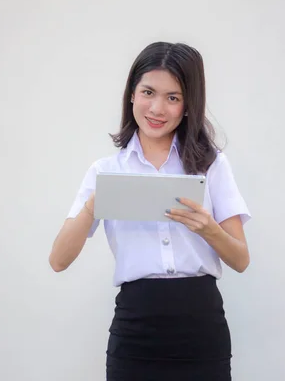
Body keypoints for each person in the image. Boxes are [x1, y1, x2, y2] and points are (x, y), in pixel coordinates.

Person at [49, 41, 251, 381]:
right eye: (148, 92)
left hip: (201, 328)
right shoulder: (106, 171)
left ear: (188, 105)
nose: (157, 108)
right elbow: (58, 260)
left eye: (173, 97)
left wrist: (208, 228)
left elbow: (241, 260)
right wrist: (91, 206)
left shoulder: (211, 165)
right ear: (131, 94)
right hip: (136, 330)